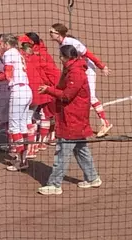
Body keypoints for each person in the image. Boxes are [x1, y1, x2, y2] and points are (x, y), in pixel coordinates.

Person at [37, 45, 102, 195]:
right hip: (74, 117)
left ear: (65, 57)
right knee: (81, 149)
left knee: (62, 153)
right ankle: (92, 178)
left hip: (72, 118)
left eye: (61, 56)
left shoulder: (76, 72)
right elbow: (63, 88)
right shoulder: (72, 69)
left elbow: (66, 95)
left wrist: (48, 90)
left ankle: (54, 184)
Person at [49, 23, 113, 138]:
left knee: (91, 97)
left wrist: (102, 66)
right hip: (76, 70)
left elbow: (87, 53)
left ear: (58, 34)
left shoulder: (72, 42)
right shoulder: (61, 44)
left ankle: (105, 123)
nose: (50, 34)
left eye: (52, 32)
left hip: (86, 69)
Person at [0, 34, 32, 171]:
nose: (0, 46)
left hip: (18, 92)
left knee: (15, 128)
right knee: (22, 127)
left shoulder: (9, 53)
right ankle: (23, 158)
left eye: (1, 44)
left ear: (6, 44)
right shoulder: (17, 52)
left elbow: (7, 76)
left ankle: (21, 161)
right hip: (26, 90)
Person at [18, 35, 54, 158]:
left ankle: (30, 149)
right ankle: (41, 143)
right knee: (42, 115)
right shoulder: (39, 56)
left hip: (31, 91)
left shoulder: (21, 57)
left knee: (27, 119)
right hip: (42, 88)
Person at [26, 32, 60, 148]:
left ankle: (41, 141)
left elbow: (46, 73)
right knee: (48, 114)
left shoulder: (36, 56)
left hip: (49, 87)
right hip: (52, 86)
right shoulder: (42, 53)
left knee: (44, 114)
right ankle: (49, 138)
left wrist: (49, 88)